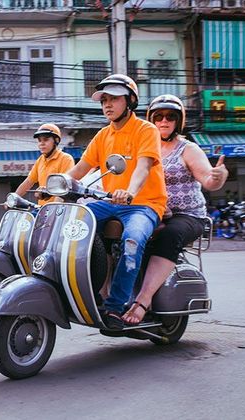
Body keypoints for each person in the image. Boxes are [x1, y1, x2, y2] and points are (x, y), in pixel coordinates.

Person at [66, 74, 167, 330]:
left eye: (113, 99)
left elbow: (143, 168)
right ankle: (80, 290)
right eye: (104, 100)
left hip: (144, 205)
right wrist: (54, 185)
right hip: (110, 202)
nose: (107, 105)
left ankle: (114, 307)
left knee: (132, 240)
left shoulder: (146, 130)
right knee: (73, 221)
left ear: (130, 100)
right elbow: (79, 170)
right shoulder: (102, 136)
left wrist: (130, 191)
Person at [122, 94, 228, 325]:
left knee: (170, 234)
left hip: (187, 216)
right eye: (158, 116)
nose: (164, 121)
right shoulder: (143, 147)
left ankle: (143, 300)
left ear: (178, 121)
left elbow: (209, 179)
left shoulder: (187, 149)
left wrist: (218, 177)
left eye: (170, 116)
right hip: (152, 211)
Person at [15, 123, 75, 205]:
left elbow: (64, 186)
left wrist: (54, 208)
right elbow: (28, 182)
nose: (41, 143)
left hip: (59, 210)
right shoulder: (40, 160)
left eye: (46, 140)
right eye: (39, 140)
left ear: (56, 141)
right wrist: (14, 197)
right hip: (42, 209)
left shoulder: (66, 159)